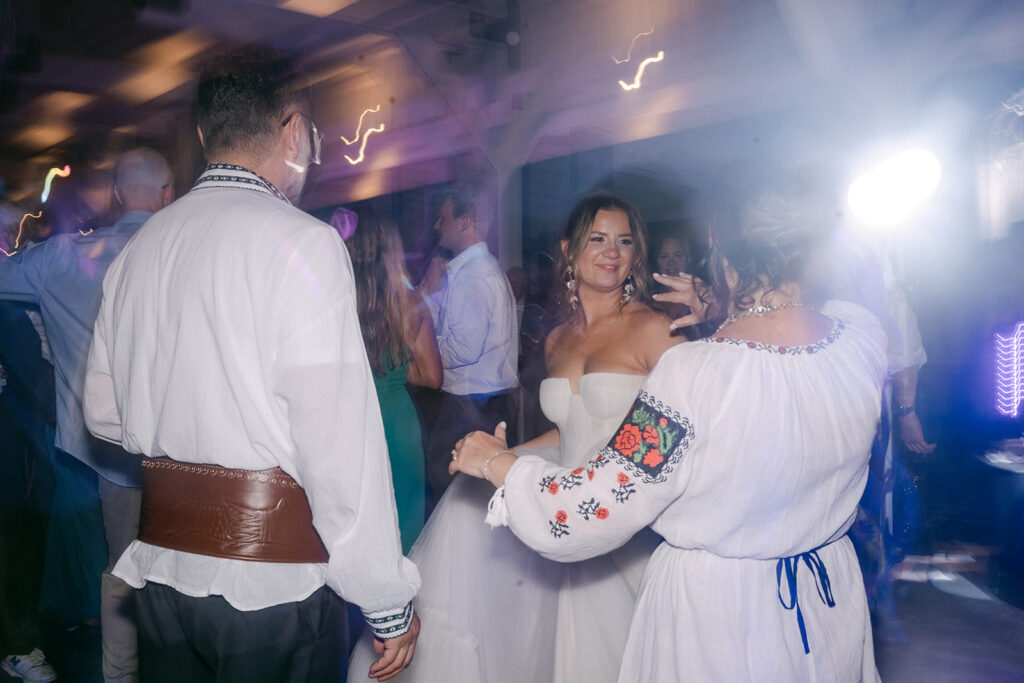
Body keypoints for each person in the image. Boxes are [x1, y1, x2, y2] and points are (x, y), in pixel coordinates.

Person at [83, 48, 419, 683]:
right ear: (293, 131)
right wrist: (387, 602)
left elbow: (103, 414)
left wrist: (183, 439)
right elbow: (339, 446)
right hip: (273, 583)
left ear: (207, 134)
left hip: (162, 571)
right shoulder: (304, 243)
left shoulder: (139, 249)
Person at [453, 192, 887, 681]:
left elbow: (595, 505)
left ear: (718, 254)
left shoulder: (690, 375)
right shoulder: (861, 340)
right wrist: (725, 302)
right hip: (826, 601)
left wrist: (498, 464)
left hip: (717, 620)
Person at [350, 192, 681, 682]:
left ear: (636, 254)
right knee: (469, 498)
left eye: (624, 241)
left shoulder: (658, 328)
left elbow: (680, 432)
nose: (612, 251)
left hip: (624, 519)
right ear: (569, 249)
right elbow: (571, 429)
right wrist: (501, 455)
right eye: (598, 238)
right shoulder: (558, 338)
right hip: (560, 512)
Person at [0, 149, 174, 683]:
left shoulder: (61, 259)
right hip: (190, 455)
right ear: (167, 193)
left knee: (123, 569)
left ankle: (121, 677)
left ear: (119, 194)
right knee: (183, 575)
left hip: (113, 454)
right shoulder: (186, 248)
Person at [348, 210, 442, 553]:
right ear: (392, 251)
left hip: (351, 416)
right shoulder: (410, 301)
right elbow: (433, 377)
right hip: (397, 420)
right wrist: (397, 370)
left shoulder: (336, 300)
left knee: (355, 517)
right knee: (402, 518)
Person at [419, 186, 519, 505]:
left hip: (470, 410)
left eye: (444, 217)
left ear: (466, 221)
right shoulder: (478, 270)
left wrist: (420, 350)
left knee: (453, 503)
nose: (437, 225)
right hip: (484, 405)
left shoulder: (473, 275)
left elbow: (461, 350)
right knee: (472, 507)